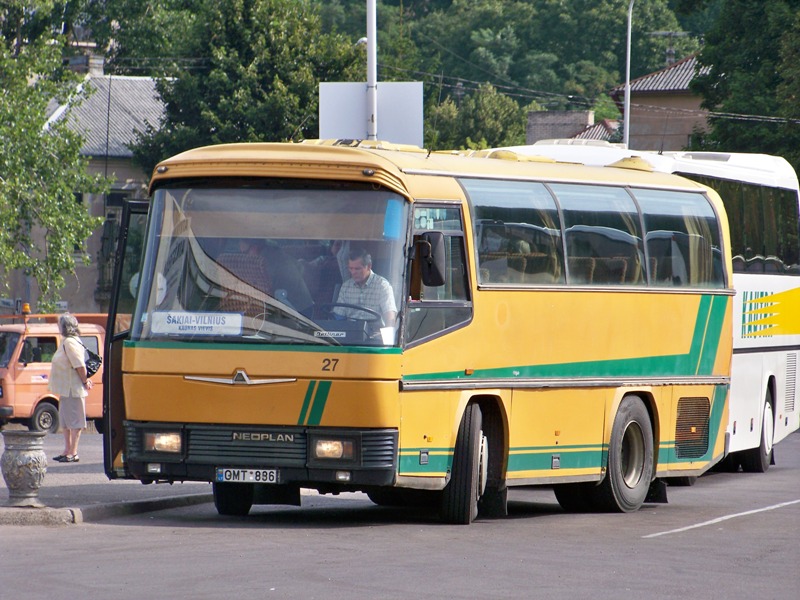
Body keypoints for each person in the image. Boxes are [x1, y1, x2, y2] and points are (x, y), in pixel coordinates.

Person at [48, 313, 92, 463]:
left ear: (65, 326)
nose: (58, 327)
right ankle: (67, 450)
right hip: (66, 389)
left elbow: (80, 365)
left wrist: (85, 382)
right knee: (66, 422)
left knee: (75, 422)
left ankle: (73, 452)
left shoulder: (70, 343)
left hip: (73, 388)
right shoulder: (66, 341)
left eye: (59, 324)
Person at [333, 248, 397, 326]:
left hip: (374, 334)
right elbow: (339, 316)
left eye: (357, 269)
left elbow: (390, 315)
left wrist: (388, 335)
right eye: (351, 268)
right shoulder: (346, 286)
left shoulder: (382, 286)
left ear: (369, 266)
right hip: (351, 333)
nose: (353, 272)